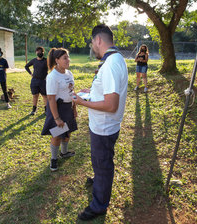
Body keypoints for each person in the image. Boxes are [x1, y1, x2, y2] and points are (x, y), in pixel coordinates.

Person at [73, 24, 128, 221]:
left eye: (91, 43)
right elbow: (107, 92)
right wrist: (91, 93)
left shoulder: (111, 64)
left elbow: (111, 105)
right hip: (103, 125)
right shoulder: (115, 59)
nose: (91, 47)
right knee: (100, 162)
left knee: (103, 164)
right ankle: (99, 182)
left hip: (104, 127)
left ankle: (99, 205)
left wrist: (81, 102)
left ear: (98, 40)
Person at [41, 48, 78, 171]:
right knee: (57, 135)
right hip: (57, 108)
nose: (68, 60)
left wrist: (74, 107)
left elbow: (71, 91)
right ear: (57, 60)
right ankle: (54, 159)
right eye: (65, 58)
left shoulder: (69, 73)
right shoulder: (52, 76)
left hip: (68, 107)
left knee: (68, 131)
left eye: (68, 57)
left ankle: (64, 152)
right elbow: (51, 99)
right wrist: (56, 118)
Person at [25, 46, 48, 115]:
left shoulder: (46, 60)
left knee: (44, 96)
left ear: (43, 52)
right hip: (34, 80)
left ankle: (46, 110)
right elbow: (26, 66)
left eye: (41, 51)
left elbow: (53, 66)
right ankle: (34, 109)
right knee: (35, 95)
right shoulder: (34, 60)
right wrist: (31, 73)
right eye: (38, 51)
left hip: (43, 81)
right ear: (36, 52)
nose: (39, 53)